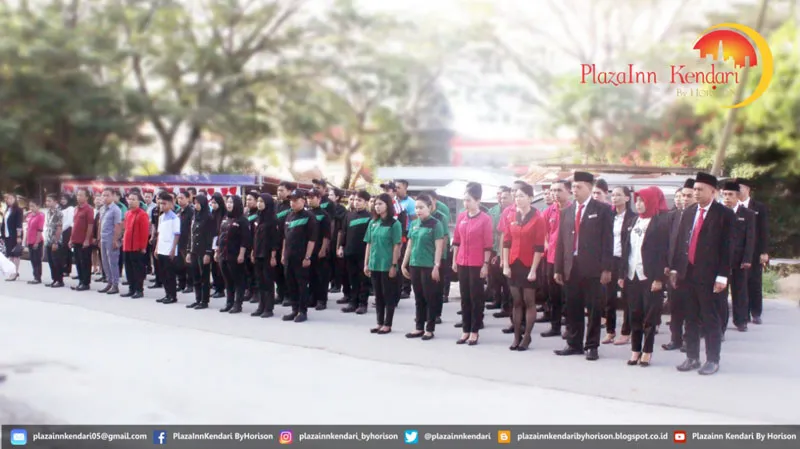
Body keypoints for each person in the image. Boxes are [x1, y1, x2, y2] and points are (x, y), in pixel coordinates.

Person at [670, 172, 734, 376]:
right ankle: (692, 356)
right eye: (694, 189)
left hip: (711, 276)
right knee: (690, 317)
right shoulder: (688, 212)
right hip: (688, 274)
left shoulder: (724, 214)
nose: (696, 193)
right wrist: (675, 268)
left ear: (713, 191)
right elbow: (681, 242)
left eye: (700, 190)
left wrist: (722, 276)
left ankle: (713, 359)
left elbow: (728, 248)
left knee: (710, 318)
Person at [554, 171, 614, 361]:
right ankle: (574, 343)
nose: (575, 190)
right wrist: (557, 268)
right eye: (573, 187)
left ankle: (592, 345)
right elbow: (561, 242)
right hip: (571, 266)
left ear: (589, 187)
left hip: (593, 268)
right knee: (573, 306)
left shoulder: (602, 209)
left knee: (594, 308)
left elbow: (608, 241)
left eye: (579, 187)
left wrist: (607, 268)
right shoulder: (567, 211)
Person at [619, 187, 669, 367]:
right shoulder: (633, 221)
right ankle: (635, 350)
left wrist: (659, 279)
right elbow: (626, 249)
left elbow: (664, 253)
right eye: (637, 201)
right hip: (632, 275)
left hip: (650, 277)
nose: (638, 204)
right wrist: (622, 273)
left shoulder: (661, 223)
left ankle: (647, 351)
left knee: (649, 316)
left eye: (642, 201)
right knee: (634, 314)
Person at [502, 183, 546, 351]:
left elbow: (539, 247)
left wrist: (533, 270)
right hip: (514, 263)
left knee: (529, 301)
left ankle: (527, 336)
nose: (518, 199)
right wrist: (505, 264)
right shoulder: (511, 216)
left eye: (521, 196)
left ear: (530, 198)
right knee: (517, 301)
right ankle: (516, 336)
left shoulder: (538, 218)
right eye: (516, 196)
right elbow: (506, 241)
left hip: (529, 264)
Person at [452, 183, 493, 346]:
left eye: (469, 200)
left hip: (477, 263)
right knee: (465, 297)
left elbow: (488, 244)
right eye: (464, 200)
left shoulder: (485, 219)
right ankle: (465, 329)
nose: (466, 203)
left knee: (476, 297)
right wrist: (455, 259)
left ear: (478, 200)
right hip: (462, 261)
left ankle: (475, 331)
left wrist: (485, 264)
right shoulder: (461, 217)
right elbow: (456, 240)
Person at [401, 194, 445, 341]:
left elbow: (439, 247)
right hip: (415, 264)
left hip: (428, 266)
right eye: (416, 207)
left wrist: (436, 266)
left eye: (421, 207)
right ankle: (419, 327)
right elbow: (409, 245)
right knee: (418, 297)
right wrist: (404, 264)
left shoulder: (436, 224)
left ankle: (430, 328)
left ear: (429, 207)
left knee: (429, 297)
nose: (418, 210)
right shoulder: (414, 224)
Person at [662, 178, 695, 352]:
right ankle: (675, 339)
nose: (686, 199)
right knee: (674, 306)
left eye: (689, 196)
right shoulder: (672, 215)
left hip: (691, 269)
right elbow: (667, 243)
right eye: (683, 195)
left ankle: (689, 340)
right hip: (674, 269)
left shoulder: (697, 216)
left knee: (690, 307)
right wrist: (667, 265)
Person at [364, 193, 402, 333]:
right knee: (378, 295)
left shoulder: (394, 223)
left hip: (387, 265)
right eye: (376, 204)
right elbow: (369, 243)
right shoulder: (373, 222)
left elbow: (396, 245)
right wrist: (366, 263)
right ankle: (379, 322)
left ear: (387, 205)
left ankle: (388, 324)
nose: (377, 206)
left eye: (380, 204)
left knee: (388, 295)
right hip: (374, 264)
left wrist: (393, 265)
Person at [603, 186, 637, 345]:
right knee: (609, 298)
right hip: (610, 260)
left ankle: (626, 331)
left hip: (626, 261)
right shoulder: (608, 216)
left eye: (618, 195)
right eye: (613, 195)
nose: (614, 198)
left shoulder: (633, 218)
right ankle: (610, 330)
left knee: (626, 298)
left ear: (627, 198)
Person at [721, 181, 755, 333]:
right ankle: (720, 325)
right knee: (720, 294)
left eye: (730, 195)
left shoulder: (747, 214)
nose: (727, 198)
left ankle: (741, 321)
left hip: (739, 259)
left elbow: (750, 238)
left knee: (740, 291)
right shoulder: (718, 212)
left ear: (738, 196)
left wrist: (747, 258)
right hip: (721, 260)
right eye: (725, 194)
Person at [281, 189, 319, 323]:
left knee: (301, 285)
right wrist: (283, 254)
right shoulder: (289, 216)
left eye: (295, 200)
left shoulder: (309, 216)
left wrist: (307, 257)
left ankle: (302, 311)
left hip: (301, 258)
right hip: (289, 257)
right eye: (291, 200)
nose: (292, 203)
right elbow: (285, 237)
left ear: (303, 200)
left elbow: (312, 239)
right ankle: (294, 309)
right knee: (291, 284)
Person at [736, 178, 769, 325]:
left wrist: (764, 251)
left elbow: (764, 230)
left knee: (754, 282)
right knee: (741, 284)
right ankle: (743, 314)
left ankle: (756, 312)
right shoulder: (733, 207)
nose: (738, 191)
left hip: (755, 251)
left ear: (748, 189)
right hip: (739, 251)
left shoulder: (758, 207)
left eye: (741, 188)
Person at [542, 181, 571, 338]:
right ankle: (555, 326)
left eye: (559, 190)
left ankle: (569, 326)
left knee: (568, 294)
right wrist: (547, 245)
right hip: (551, 258)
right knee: (553, 295)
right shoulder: (548, 211)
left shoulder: (573, 210)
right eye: (553, 190)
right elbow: (544, 233)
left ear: (568, 192)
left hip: (568, 260)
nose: (555, 193)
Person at [215, 195, 250, 313]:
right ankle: (229, 303)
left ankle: (237, 304)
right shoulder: (225, 218)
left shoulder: (242, 220)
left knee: (238, 280)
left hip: (235, 255)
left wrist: (241, 254)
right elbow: (220, 235)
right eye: (228, 202)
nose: (229, 204)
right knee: (227, 280)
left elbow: (245, 239)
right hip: (223, 254)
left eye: (231, 202)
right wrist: (217, 251)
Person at [340, 190, 372, 314]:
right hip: (350, 252)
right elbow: (344, 233)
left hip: (363, 253)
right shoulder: (349, 215)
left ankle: (363, 303)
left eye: (359, 200)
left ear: (366, 202)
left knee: (363, 279)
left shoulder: (370, 217)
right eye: (354, 200)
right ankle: (353, 302)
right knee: (352, 278)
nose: (356, 203)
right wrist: (341, 247)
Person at [250, 193, 279, 318]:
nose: (259, 203)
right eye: (259, 201)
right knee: (260, 281)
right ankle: (261, 306)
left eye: (262, 201)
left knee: (268, 281)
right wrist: (252, 251)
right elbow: (255, 237)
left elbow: (275, 240)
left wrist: (273, 256)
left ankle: (268, 307)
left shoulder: (272, 219)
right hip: (257, 253)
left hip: (267, 254)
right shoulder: (258, 218)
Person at [185, 194, 216, 309]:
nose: (196, 205)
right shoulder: (194, 216)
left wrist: (208, 253)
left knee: (204, 277)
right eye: (195, 203)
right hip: (194, 251)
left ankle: (204, 300)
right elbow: (191, 235)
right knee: (196, 276)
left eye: (198, 203)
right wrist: (188, 251)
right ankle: (197, 299)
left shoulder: (208, 217)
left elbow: (210, 236)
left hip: (203, 251)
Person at [487, 187, 513, 316]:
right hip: (494, 247)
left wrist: (500, 254)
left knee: (506, 281)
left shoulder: (512, 212)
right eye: (500, 197)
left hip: (506, 250)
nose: (502, 200)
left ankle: (506, 307)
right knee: (494, 277)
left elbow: (503, 235)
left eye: (505, 197)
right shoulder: (492, 211)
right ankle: (496, 300)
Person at [306, 189, 332, 311]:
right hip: (309, 250)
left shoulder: (324, 214)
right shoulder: (306, 213)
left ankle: (322, 300)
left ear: (319, 199)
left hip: (320, 249)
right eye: (308, 197)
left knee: (321, 276)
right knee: (310, 275)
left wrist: (323, 249)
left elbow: (327, 235)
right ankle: (312, 298)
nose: (310, 199)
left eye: (312, 197)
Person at [154, 193, 181, 305]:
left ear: (170, 204)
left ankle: (172, 296)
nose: (162, 206)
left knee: (170, 274)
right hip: (161, 248)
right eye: (160, 203)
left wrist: (173, 249)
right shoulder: (161, 217)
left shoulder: (174, 218)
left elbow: (177, 235)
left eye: (164, 203)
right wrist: (156, 248)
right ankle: (167, 294)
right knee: (163, 273)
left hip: (169, 249)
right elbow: (159, 234)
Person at [122, 192, 150, 299]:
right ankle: (131, 288)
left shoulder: (142, 214)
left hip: (137, 246)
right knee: (128, 268)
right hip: (127, 245)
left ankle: (139, 289)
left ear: (139, 201)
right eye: (130, 199)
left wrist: (143, 246)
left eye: (134, 199)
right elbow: (126, 229)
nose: (131, 201)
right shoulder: (128, 213)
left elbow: (144, 232)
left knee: (137, 269)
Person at [98, 188, 123, 295]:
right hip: (103, 238)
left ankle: (115, 284)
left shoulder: (116, 209)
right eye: (103, 195)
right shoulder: (102, 209)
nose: (104, 197)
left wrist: (115, 240)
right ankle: (109, 282)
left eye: (107, 195)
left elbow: (118, 226)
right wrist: (98, 238)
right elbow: (100, 224)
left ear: (113, 196)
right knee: (104, 262)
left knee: (112, 262)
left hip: (111, 238)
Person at [70, 188, 95, 291]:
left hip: (84, 241)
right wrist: (71, 239)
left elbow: (90, 225)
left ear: (86, 197)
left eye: (81, 195)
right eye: (78, 195)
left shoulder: (89, 209)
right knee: (78, 262)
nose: (78, 197)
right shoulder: (76, 209)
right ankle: (80, 281)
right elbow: (74, 225)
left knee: (85, 262)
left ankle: (85, 282)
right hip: (75, 240)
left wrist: (87, 239)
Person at [396, 179, 416, 299]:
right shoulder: (394, 202)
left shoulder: (410, 203)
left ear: (405, 188)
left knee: (405, 260)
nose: (396, 190)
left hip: (407, 232)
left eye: (399, 187)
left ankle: (406, 288)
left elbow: (414, 220)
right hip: (396, 232)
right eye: (395, 187)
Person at [275, 182, 293, 306]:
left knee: (286, 270)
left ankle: (288, 295)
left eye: (282, 190)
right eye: (278, 190)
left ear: (289, 191)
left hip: (287, 241)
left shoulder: (292, 206)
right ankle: (280, 293)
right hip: (275, 241)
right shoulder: (275, 205)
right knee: (276, 270)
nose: (279, 192)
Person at [328, 188, 349, 296]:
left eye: (331, 195)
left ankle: (337, 285)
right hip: (329, 238)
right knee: (330, 262)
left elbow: (341, 227)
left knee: (338, 263)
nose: (329, 197)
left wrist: (339, 244)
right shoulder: (326, 208)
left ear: (337, 197)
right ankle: (332, 283)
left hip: (337, 237)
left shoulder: (341, 209)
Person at [43, 194, 65, 288]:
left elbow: (59, 228)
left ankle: (59, 280)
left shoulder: (58, 213)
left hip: (55, 240)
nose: (47, 203)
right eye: (47, 201)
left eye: (50, 201)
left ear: (55, 202)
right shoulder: (48, 212)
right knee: (51, 261)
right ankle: (54, 279)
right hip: (48, 239)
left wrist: (55, 241)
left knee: (57, 261)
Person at [176, 191, 195, 294]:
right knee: (179, 264)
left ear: (188, 199)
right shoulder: (178, 211)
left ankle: (190, 284)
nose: (179, 200)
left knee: (188, 264)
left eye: (182, 198)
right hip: (178, 241)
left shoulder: (191, 212)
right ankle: (181, 283)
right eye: (178, 198)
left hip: (187, 241)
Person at [2, 194, 24, 281]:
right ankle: (12, 271)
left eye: (11, 198)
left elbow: (19, 224)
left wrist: (19, 236)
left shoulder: (18, 210)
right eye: (7, 198)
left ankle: (15, 272)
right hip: (7, 235)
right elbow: (4, 223)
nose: (8, 200)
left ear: (15, 199)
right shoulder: (7, 210)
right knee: (10, 254)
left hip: (15, 235)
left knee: (16, 254)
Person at [24, 199, 45, 285]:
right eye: (30, 206)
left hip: (37, 240)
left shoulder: (40, 216)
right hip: (30, 240)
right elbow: (28, 228)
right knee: (32, 259)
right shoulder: (30, 215)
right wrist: (26, 240)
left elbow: (40, 230)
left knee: (37, 259)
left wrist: (36, 242)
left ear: (38, 206)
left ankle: (38, 277)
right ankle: (35, 276)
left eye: (33, 206)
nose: (31, 208)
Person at [209, 193, 227, 297]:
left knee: (218, 267)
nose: (213, 205)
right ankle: (216, 287)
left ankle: (221, 289)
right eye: (211, 203)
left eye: (215, 203)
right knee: (213, 267)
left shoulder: (224, 214)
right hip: (211, 241)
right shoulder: (212, 213)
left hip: (219, 242)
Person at [59, 194, 76, 278]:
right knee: (61, 251)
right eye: (61, 199)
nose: (63, 201)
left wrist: (61, 229)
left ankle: (67, 269)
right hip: (60, 231)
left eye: (64, 199)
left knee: (67, 251)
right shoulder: (60, 208)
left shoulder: (71, 209)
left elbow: (69, 221)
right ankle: (61, 268)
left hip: (67, 230)